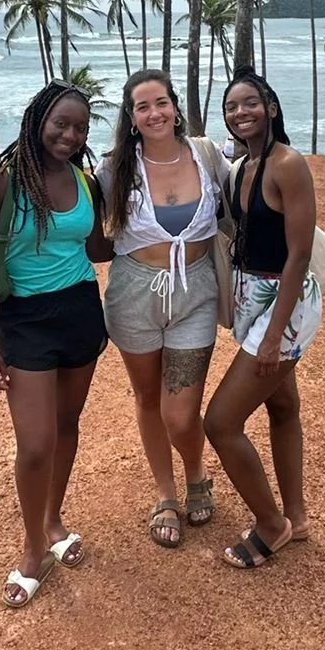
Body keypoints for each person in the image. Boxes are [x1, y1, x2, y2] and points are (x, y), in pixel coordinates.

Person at [0, 81, 109, 609]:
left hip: (82, 312)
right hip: (24, 321)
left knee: (68, 428)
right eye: (60, 123)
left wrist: (164, 226)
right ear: (38, 120)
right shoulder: (1, 182)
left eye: (81, 127)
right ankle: (31, 548)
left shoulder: (86, 182)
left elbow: (97, 247)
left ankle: (52, 521)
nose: (70, 135)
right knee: (35, 443)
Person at [97, 69, 230, 548]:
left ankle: (197, 472)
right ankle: (166, 493)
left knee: (180, 411)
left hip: (195, 288)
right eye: (142, 107)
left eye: (161, 103)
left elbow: (251, 186)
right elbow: (85, 224)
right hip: (133, 291)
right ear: (131, 118)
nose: (154, 113)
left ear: (175, 106)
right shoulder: (115, 168)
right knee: (147, 397)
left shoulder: (207, 154)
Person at [204, 67, 321, 570]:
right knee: (283, 407)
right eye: (231, 107)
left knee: (221, 422)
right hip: (256, 296)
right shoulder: (241, 167)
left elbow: (299, 255)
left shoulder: (287, 164)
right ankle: (296, 516)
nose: (240, 112)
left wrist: (274, 335)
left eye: (250, 103)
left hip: (285, 304)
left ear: (271, 108)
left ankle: (271, 525)